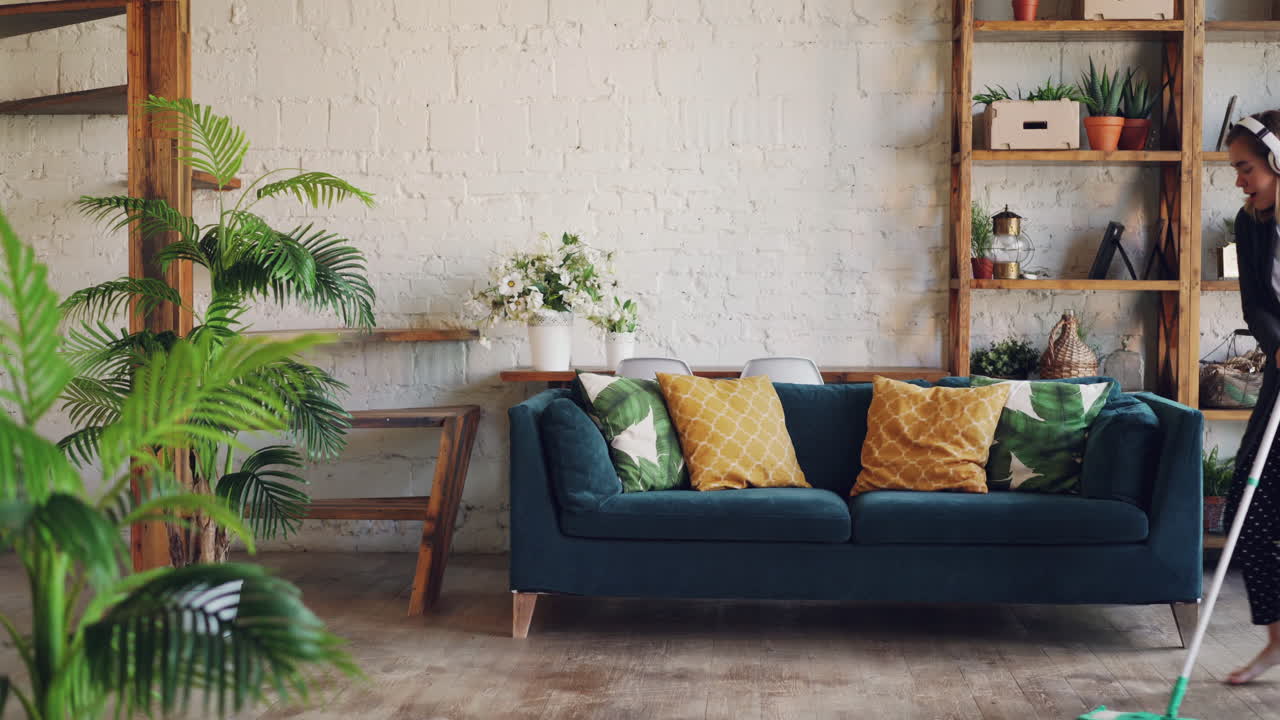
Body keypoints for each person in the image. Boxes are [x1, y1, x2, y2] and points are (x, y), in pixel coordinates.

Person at [1221, 110, 1280, 685]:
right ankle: (1277, 641)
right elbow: (1255, 303)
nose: (1240, 182)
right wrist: (1279, 345)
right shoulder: (1250, 223)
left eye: (1246, 169)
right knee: (1247, 505)